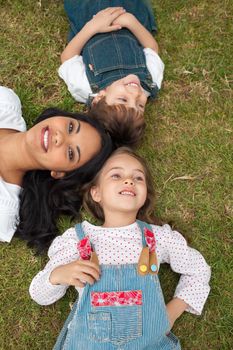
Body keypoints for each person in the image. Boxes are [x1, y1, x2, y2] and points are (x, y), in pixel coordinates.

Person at [30, 147, 211, 349]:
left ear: (144, 195)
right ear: (96, 192)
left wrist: (171, 312)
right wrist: (58, 275)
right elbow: (39, 295)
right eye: (116, 175)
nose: (129, 181)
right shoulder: (78, 241)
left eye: (138, 178)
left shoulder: (156, 238)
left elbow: (198, 269)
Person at [0, 86, 113, 252]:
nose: (59, 137)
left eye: (70, 153)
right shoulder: (5, 102)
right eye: (70, 128)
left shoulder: (4, 210)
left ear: (59, 173)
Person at [58, 0, 165, 145]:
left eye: (123, 99)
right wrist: (130, 21)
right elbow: (152, 48)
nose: (136, 94)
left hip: (89, 15)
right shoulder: (150, 82)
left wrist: (92, 27)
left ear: (99, 98)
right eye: (140, 106)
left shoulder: (87, 87)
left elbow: (68, 57)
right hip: (128, 11)